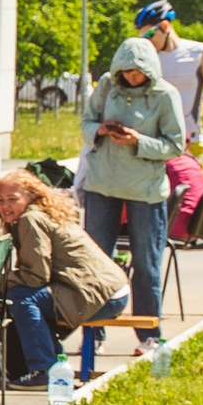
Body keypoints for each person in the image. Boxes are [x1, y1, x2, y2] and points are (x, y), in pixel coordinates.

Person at [79, 35, 186, 349]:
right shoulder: (107, 87)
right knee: (97, 260)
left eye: (137, 72)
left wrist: (137, 140)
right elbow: (86, 122)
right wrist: (100, 130)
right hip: (102, 185)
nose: (132, 76)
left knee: (146, 262)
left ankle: (149, 335)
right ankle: (94, 332)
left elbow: (175, 145)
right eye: (126, 71)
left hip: (145, 191)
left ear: (150, 69)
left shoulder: (166, 95)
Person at [139, 0, 203, 297]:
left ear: (165, 26)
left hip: (193, 143)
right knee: (137, 198)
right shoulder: (148, 56)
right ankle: (123, 262)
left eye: (149, 34)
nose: (146, 41)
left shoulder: (198, 53)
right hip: (156, 142)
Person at [0, 168, 129, 386]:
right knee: (26, 295)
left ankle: (44, 370)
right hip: (111, 290)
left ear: (30, 196)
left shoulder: (31, 219)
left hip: (101, 295)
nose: (5, 206)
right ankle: (54, 366)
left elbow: (36, 276)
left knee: (22, 298)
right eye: (0, 200)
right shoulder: (40, 212)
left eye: (12, 199)